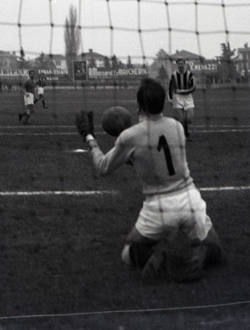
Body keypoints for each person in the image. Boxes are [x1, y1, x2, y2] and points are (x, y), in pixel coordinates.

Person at [75, 78, 222, 282]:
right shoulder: (177, 127)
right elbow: (152, 156)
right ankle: (203, 253)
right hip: (190, 200)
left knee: (129, 252)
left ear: (139, 106)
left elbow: (103, 167)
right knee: (215, 247)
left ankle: (155, 257)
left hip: (159, 208)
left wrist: (89, 137)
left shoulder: (131, 136)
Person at [168, 57, 196, 140]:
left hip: (188, 97)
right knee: (181, 119)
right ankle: (185, 134)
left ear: (184, 64)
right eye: (179, 64)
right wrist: (170, 98)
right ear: (177, 65)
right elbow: (170, 88)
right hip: (177, 97)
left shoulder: (190, 74)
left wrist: (184, 91)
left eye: (182, 64)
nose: (180, 65)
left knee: (189, 119)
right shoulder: (173, 75)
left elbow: (194, 87)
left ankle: (181, 125)